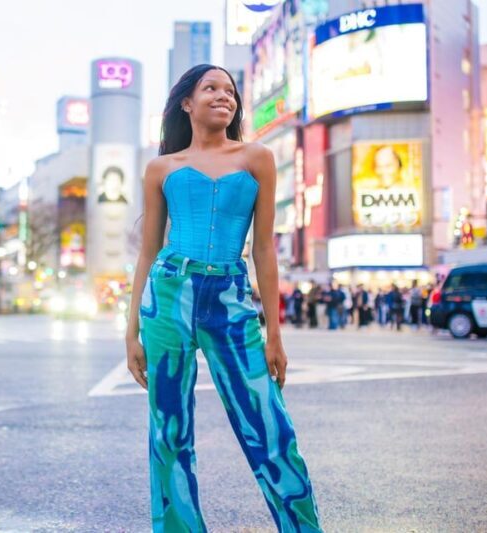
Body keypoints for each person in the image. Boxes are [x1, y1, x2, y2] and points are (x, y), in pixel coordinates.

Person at [124, 65, 324, 532]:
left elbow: (264, 249)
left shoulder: (257, 157)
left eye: (230, 91)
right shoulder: (161, 168)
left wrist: (275, 334)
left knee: (270, 429)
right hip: (168, 294)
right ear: (186, 104)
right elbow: (148, 252)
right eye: (210, 88)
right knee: (169, 432)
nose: (224, 96)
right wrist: (130, 330)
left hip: (231, 299)